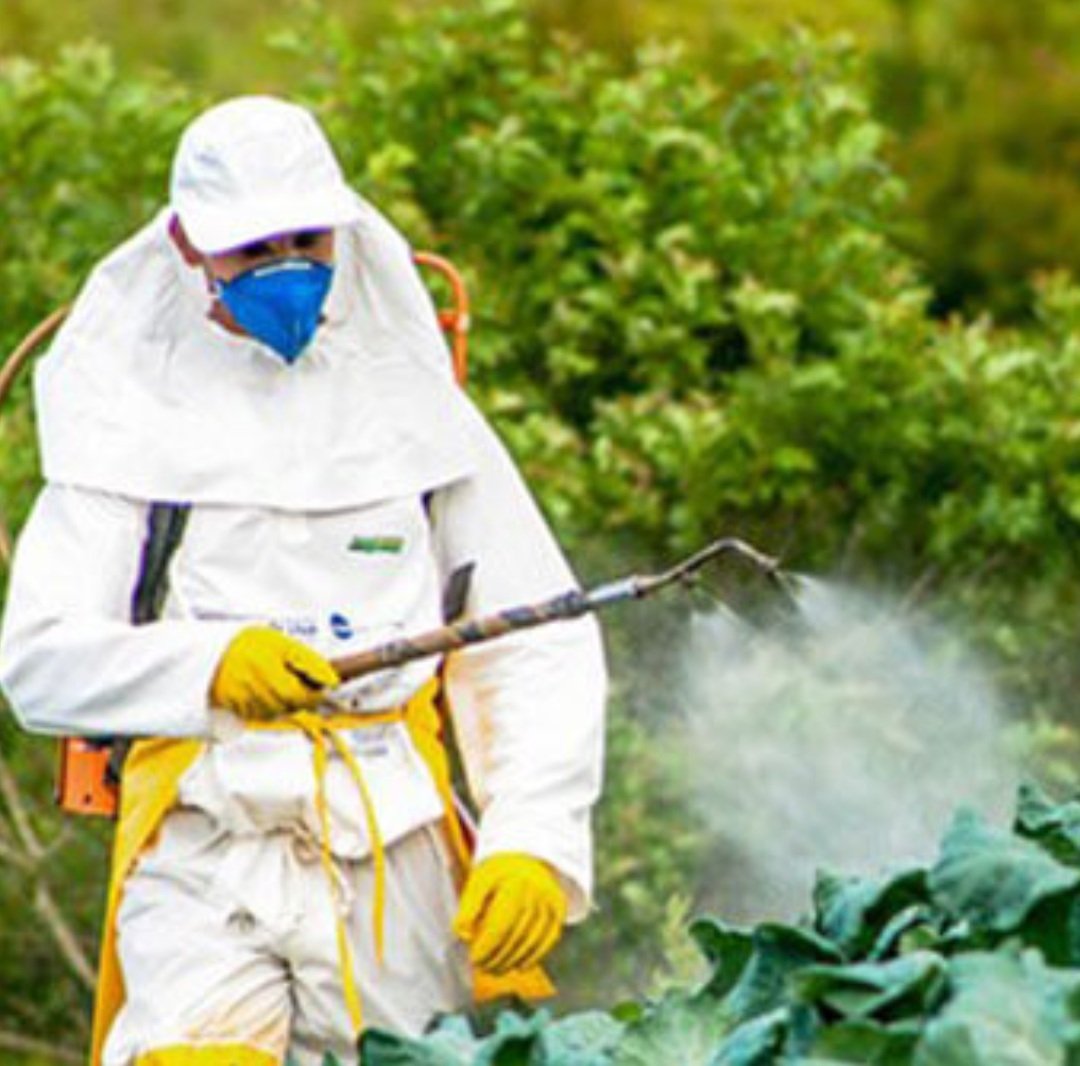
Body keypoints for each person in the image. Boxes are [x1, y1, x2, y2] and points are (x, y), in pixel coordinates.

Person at [0, 96, 607, 1066]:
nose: (287, 265)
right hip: (206, 836)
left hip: (395, 842)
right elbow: (38, 662)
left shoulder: (413, 404)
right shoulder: (128, 414)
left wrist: (533, 839)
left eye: (306, 240)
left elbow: (534, 636)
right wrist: (209, 667)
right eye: (253, 249)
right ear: (190, 247)